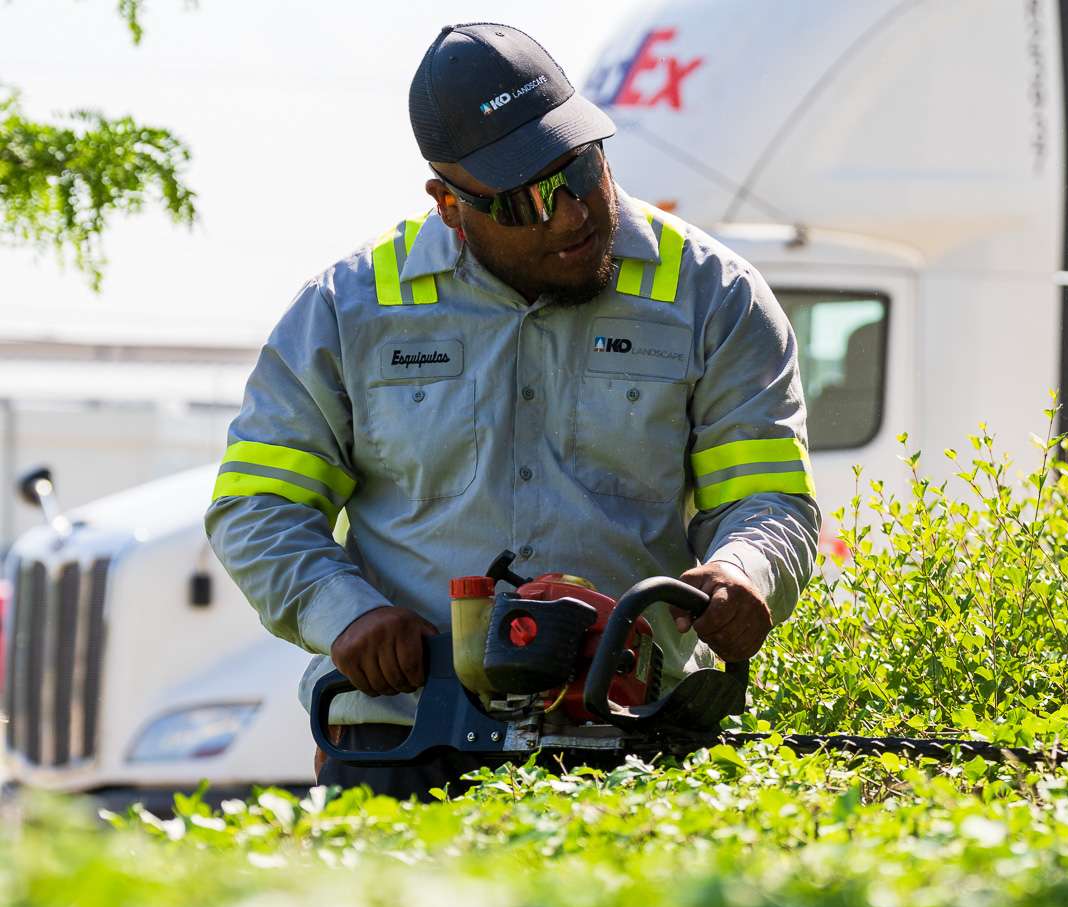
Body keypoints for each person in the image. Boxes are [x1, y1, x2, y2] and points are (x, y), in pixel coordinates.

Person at [204, 22, 820, 800]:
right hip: (404, 735)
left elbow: (765, 500)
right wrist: (347, 616)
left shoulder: (714, 298)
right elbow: (258, 506)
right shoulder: (346, 310)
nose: (570, 216)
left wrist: (745, 570)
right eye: (529, 199)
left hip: (628, 726)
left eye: (579, 169)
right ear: (450, 204)